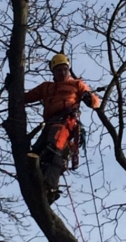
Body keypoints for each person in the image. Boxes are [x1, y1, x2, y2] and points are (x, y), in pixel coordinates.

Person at [25, 53, 100, 203]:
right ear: (53, 72)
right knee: (35, 153)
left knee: (54, 148)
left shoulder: (77, 84)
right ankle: (38, 183)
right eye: (59, 70)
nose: (62, 72)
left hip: (66, 121)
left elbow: (95, 102)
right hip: (49, 123)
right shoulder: (47, 87)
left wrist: (88, 98)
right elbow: (25, 98)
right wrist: (11, 88)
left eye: (65, 69)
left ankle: (50, 187)